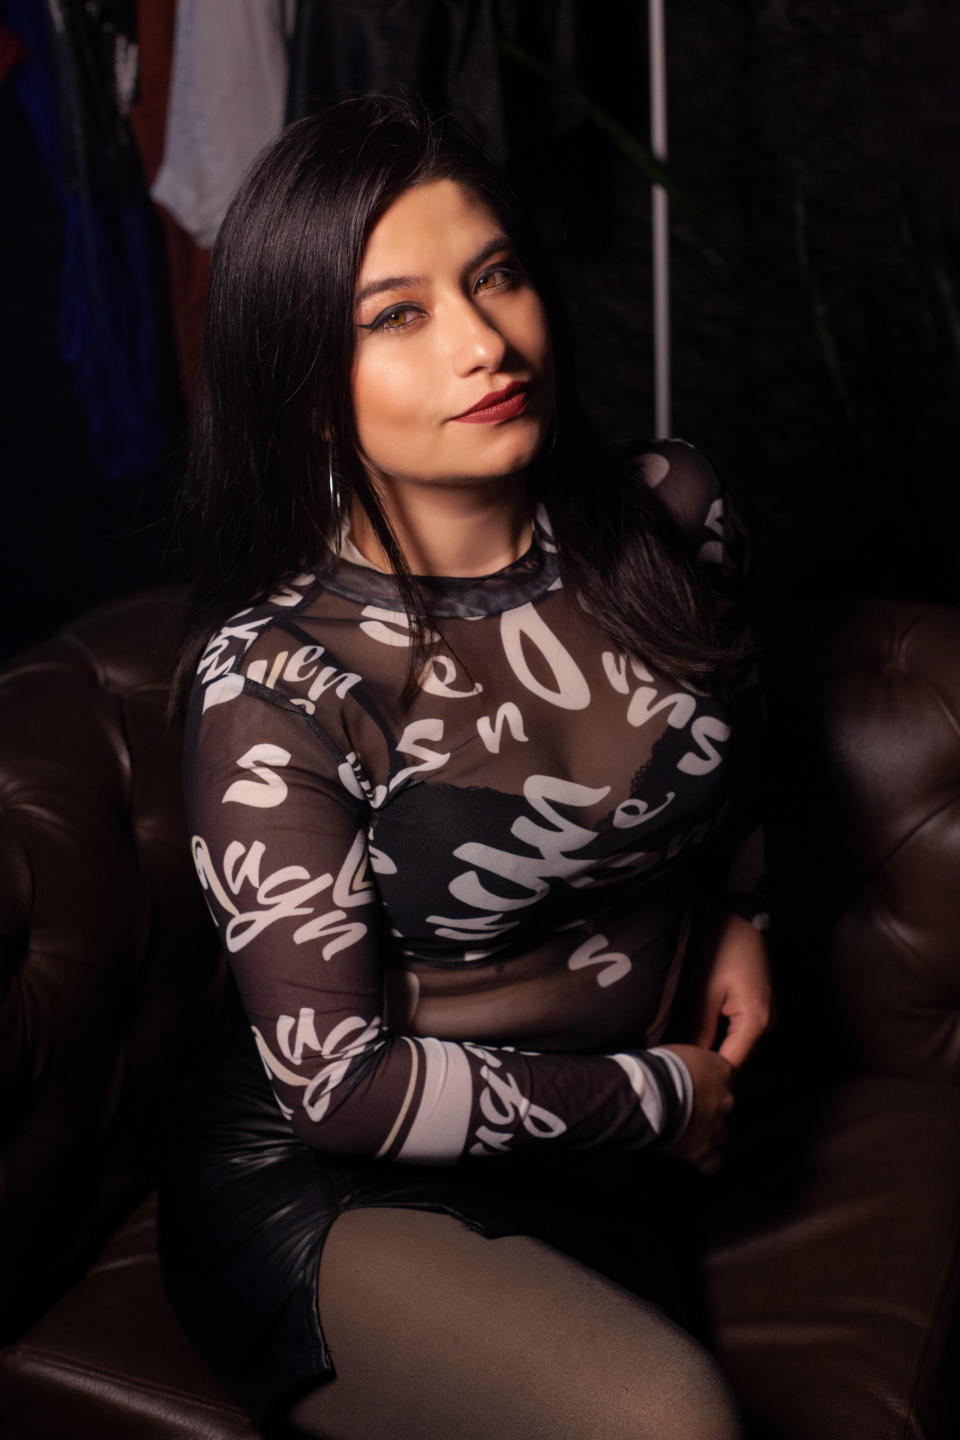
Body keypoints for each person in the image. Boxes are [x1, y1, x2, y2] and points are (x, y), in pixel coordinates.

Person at [158, 92, 773, 1440]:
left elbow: (737, 734)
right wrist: (663, 1094)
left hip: (611, 1146)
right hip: (352, 1176)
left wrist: (742, 911)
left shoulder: (674, 509)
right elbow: (342, 1090)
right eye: (397, 315)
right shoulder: (276, 683)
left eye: (493, 276)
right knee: (671, 1418)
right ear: (307, 391)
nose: (484, 342)